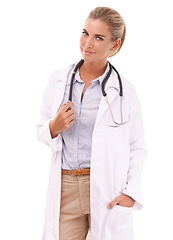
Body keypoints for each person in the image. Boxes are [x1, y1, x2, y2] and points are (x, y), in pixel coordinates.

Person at [36, 6, 147, 240]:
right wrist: (53, 127)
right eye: (85, 33)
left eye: (99, 38)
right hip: (66, 186)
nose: (88, 43)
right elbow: (40, 130)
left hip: (106, 189)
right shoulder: (58, 81)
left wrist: (130, 193)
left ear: (114, 45)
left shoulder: (125, 91)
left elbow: (137, 147)